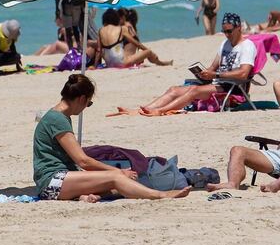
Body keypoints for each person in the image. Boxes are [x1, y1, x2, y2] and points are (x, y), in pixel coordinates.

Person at [34, 73, 191, 202]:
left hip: (59, 181)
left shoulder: (59, 116)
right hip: (52, 183)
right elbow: (83, 161)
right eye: (88, 104)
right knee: (116, 177)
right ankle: (161, 195)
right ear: (82, 99)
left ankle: (82, 197)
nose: (85, 108)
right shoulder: (57, 119)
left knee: (118, 186)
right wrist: (118, 171)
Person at [131, 13, 254, 116]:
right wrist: (205, 74)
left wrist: (215, 75)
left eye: (229, 31)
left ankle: (160, 111)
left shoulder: (247, 46)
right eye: (224, 31)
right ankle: (142, 110)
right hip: (218, 83)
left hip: (233, 87)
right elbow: (212, 67)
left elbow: (243, 73)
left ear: (239, 28)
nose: (227, 34)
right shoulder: (225, 44)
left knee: (193, 90)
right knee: (173, 89)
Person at [95, 9, 171, 68]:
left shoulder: (100, 30)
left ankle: (161, 62)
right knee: (148, 52)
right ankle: (161, 63)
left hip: (109, 64)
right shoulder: (122, 29)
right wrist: (147, 50)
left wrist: (95, 66)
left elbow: (99, 50)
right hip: (121, 63)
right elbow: (136, 43)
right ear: (116, 18)